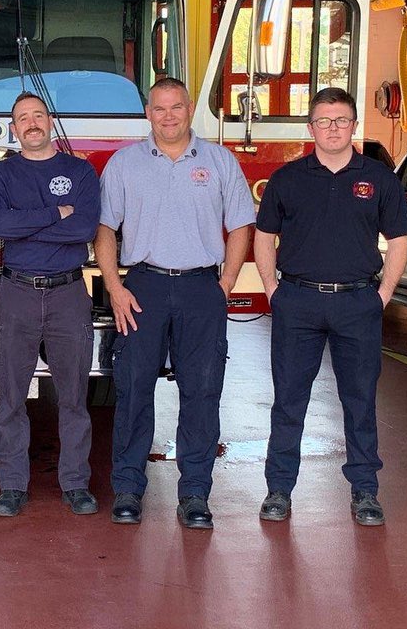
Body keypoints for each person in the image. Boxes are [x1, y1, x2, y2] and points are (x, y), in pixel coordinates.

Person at [95, 77, 255, 529]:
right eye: (160, 108)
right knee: (132, 389)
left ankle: (195, 495)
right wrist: (115, 286)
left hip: (201, 288)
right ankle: (127, 488)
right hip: (141, 289)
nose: (169, 116)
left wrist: (223, 284)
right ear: (148, 113)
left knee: (202, 392)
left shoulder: (220, 161)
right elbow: (105, 229)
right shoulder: (125, 164)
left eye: (177, 107)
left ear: (189, 110)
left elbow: (242, 224)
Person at [254, 87, 407, 527]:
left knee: (359, 400)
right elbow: (263, 236)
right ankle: (278, 489)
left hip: (358, 302)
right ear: (311, 128)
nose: (333, 128)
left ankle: (365, 491)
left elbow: (399, 241)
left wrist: (383, 295)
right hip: (297, 303)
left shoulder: (379, 179)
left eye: (341, 120)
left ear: (354, 125)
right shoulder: (287, 178)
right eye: (324, 121)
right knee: (288, 401)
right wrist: (273, 289)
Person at [0, 92, 100, 517]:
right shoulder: (1, 175)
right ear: (13, 129)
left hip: (69, 293)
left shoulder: (79, 171)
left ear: (49, 121)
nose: (31, 123)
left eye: (37, 115)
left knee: (73, 396)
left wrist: (28, 223)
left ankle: (75, 483)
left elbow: (84, 227)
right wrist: (56, 213)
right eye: (22, 119)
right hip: (16, 294)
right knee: (11, 396)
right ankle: (12, 485)